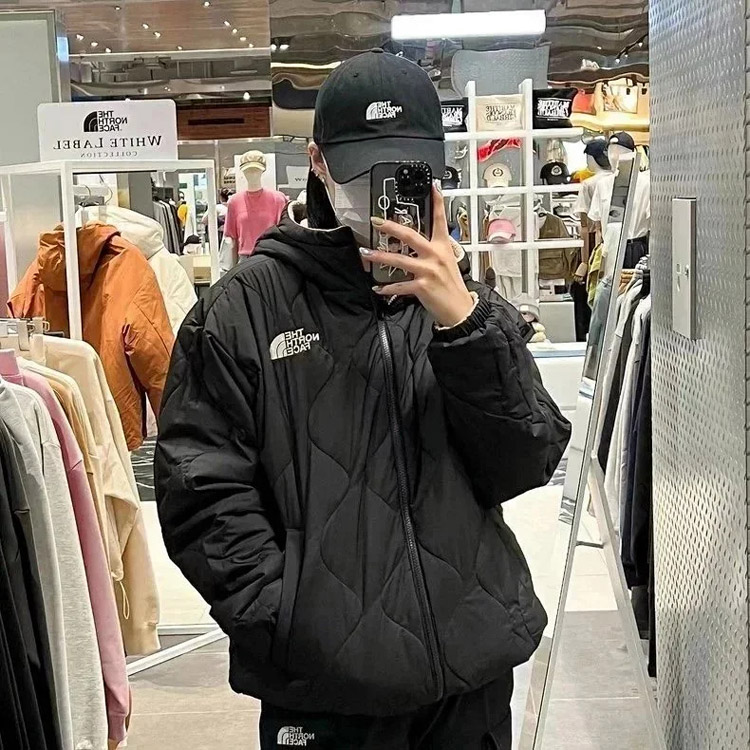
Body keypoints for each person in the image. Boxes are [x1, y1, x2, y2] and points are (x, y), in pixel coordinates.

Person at [155, 50, 570, 750]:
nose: (381, 190)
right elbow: (200, 490)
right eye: (362, 169)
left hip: (467, 682)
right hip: (325, 693)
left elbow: (525, 460)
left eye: (405, 170)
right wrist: (286, 619)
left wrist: (464, 324)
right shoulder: (243, 310)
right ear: (318, 163)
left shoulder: (463, 303)